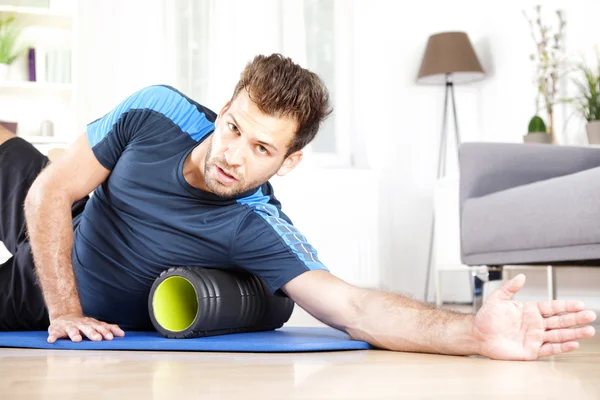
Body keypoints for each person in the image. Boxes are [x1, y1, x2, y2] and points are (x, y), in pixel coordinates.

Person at [0, 54, 596, 361]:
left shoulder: (255, 225)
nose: (232, 155)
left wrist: (472, 332)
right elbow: (52, 192)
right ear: (225, 105)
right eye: (233, 127)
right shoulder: (156, 111)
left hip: (34, 285)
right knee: (14, 154)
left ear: (288, 162)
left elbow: (357, 307)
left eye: (261, 148)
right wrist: (67, 311)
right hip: (64, 239)